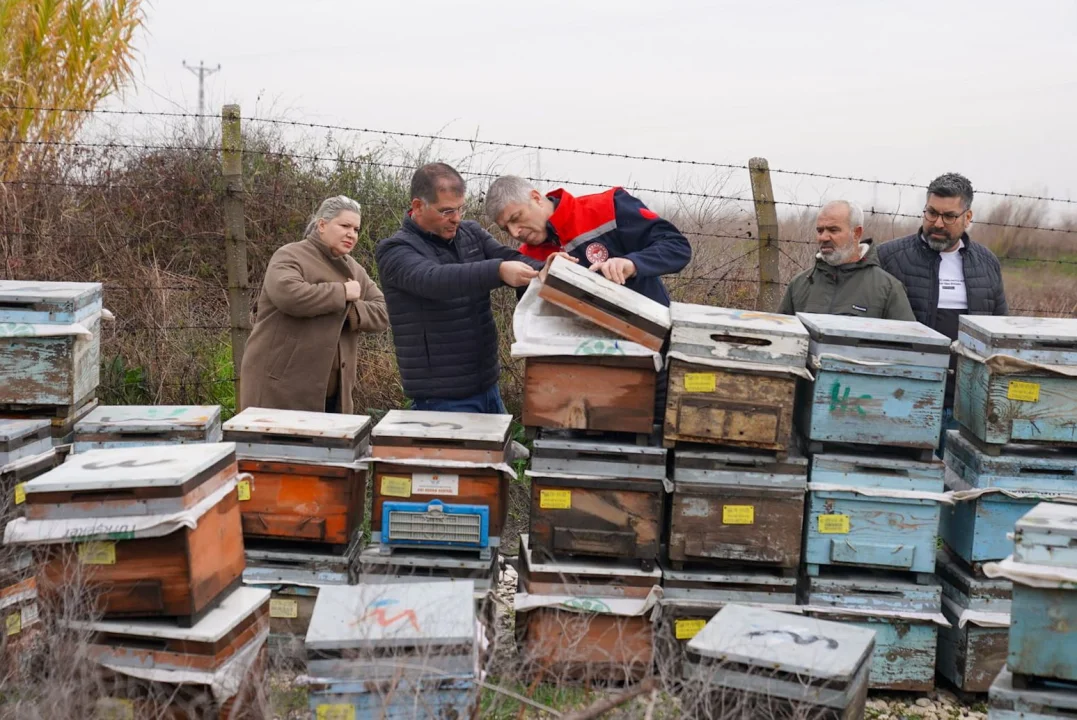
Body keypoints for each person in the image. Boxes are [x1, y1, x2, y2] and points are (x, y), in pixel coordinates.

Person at [375, 163, 546, 414]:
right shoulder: (395, 251)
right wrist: (498, 271)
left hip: (488, 386)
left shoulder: (471, 233)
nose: (456, 218)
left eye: (459, 209)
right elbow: (435, 280)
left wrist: (548, 268)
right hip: (440, 399)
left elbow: (509, 256)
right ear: (418, 206)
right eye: (446, 211)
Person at [877, 172, 1008, 453]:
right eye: (931, 213)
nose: (937, 223)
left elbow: (1000, 332)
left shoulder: (986, 264)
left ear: (967, 216)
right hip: (903, 399)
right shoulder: (889, 257)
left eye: (948, 216)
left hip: (965, 407)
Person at [240, 195, 388, 414]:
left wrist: (349, 311)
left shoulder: (355, 270)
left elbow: (384, 311)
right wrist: (343, 292)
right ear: (322, 225)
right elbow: (290, 296)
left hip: (335, 394)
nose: (351, 234)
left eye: (356, 229)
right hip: (280, 388)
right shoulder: (289, 255)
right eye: (344, 225)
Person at [483, 175, 692, 305]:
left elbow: (676, 246)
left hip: (649, 346)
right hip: (581, 367)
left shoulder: (607, 207)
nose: (515, 232)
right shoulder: (527, 260)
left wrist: (632, 264)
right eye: (505, 228)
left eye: (516, 218)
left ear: (536, 198)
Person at [778, 200, 915, 321]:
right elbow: (782, 338)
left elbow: (907, 345)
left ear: (856, 233)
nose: (824, 237)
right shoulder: (799, 285)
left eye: (833, 230)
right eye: (820, 231)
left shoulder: (887, 289)